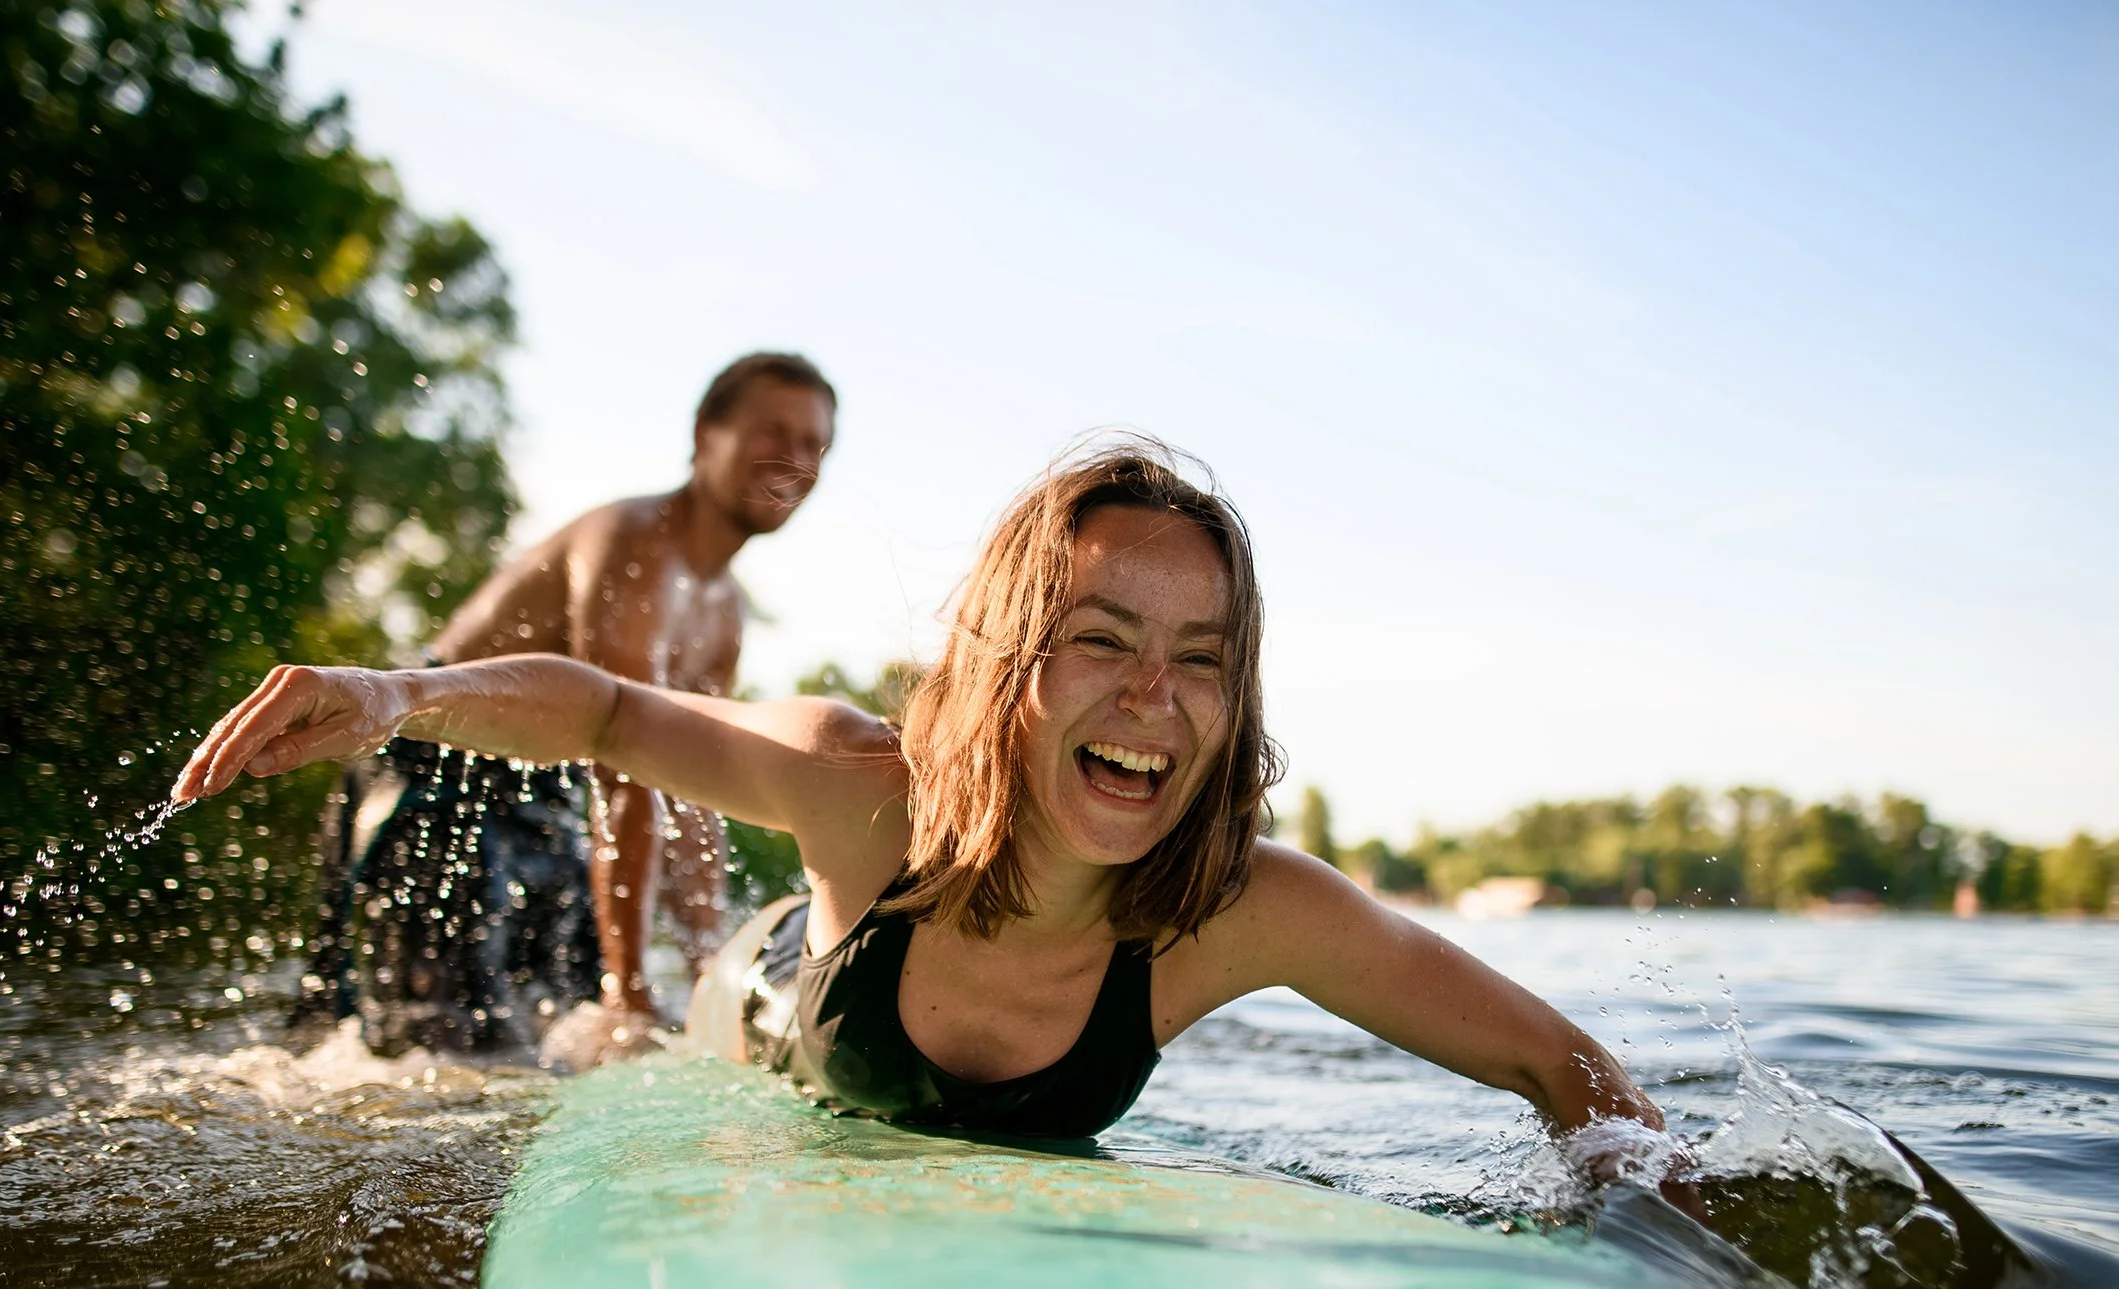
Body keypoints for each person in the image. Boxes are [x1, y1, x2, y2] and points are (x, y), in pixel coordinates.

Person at [180, 439, 1672, 1153]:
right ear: (1013, 664)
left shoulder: (1248, 913)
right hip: (769, 1008)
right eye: (1103, 640)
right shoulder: (861, 797)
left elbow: (1567, 1069)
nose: (1154, 697)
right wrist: (401, 693)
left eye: (1202, 660)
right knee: (581, 1039)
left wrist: (1693, 1248)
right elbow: (616, 711)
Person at [294, 351, 837, 1060]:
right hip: (433, 777)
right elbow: (628, 771)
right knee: (431, 1059)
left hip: (546, 800)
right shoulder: (635, 542)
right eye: (773, 431)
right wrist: (632, 989)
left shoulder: (724, 613)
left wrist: (711, 970)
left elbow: (691, 795)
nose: (794, 458)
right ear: (707, 433)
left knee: (539, 1048)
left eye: (813, 443)